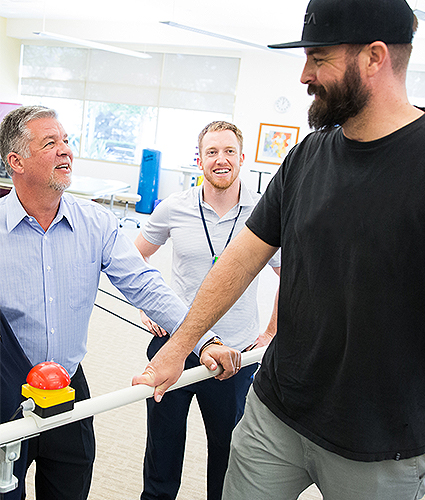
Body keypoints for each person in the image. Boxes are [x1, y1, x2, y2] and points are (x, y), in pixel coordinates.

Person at [133, 0, 425, 498]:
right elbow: (243, 257)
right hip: (275, 413)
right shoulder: (309, 154)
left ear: (374, 58)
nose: (304, 74)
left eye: (319, 57)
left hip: (381, 444)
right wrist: (179, 347)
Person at [0, 105, 240, 500]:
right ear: (17, 162)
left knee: (69, 487)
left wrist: (204, 340)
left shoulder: (95, 223)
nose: (65, 151)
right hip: (6, 386)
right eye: (50, 143)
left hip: (67, 385)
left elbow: (146, 285)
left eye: (66, 141)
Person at [134, 120, 280, 500]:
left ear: (242, 158)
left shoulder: (265, 211)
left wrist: (270, 333)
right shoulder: (174, 208)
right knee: (162, 454)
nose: (221, 159)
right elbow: (133, 258)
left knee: (228, 458)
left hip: (235, 356)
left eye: (229, 151)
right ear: (199, 160)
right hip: (175, 347)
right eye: (212, 152)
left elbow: (291, 274)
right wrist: (149, 304)